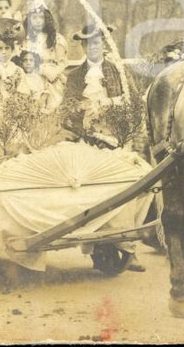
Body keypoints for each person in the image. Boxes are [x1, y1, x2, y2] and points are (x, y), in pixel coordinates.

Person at [60, 23, 144, 273]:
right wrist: (83, 111)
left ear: (104, 45)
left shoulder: (118, 71)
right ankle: (98, 245)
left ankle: (130, 247)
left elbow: (135, 101)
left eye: (98, 42)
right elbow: (66, 108)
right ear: (83, 47)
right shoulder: (75, 76)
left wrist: (110, 106)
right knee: (95, 190)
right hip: (87, 141)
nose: (94, 47)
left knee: (131, 186)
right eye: (89, 43)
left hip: (117, 140)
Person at [20, 0, 68, 112]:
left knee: (52, 103)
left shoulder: (56, 38)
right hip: (32, 74)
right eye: (34, 17)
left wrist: (53, 73)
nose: (37, 20)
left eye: (41, 17)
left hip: (52, 76)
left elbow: (62, 62)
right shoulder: (25, 39)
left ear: (46, 19)